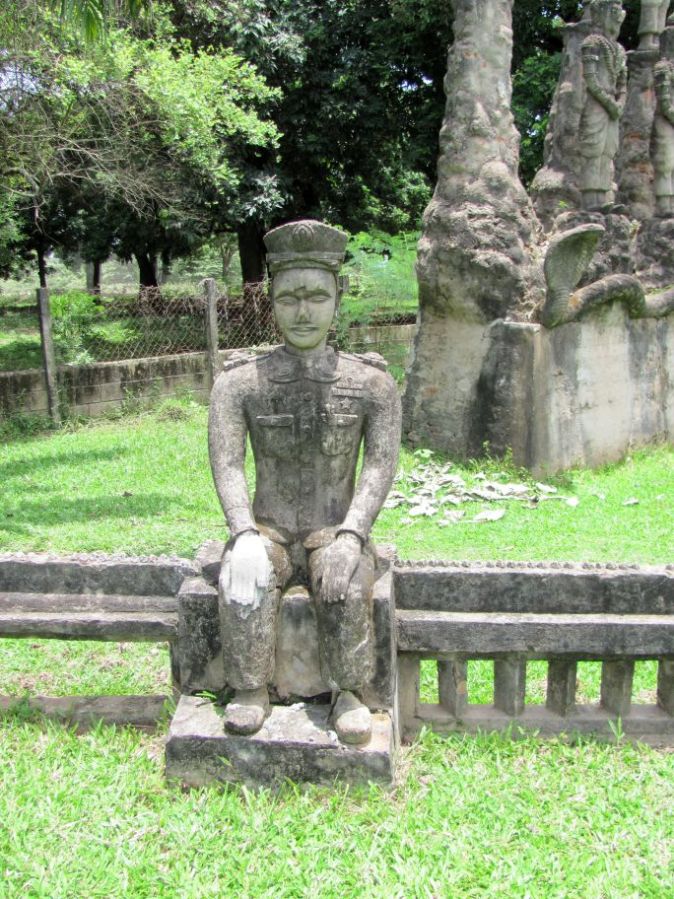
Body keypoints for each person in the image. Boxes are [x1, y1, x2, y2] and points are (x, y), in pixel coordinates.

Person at [208, 220, 402, 745]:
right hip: (267, 528)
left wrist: (352, 536)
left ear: (338, 298)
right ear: (271, 302)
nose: (303, 312)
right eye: (289, 298)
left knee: (344, 588)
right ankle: (250, 689)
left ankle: (348, 692)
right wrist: (242, 533)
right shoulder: (238, 384)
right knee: (242, 582)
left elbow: (379, 465)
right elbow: (228, 463)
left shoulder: (371, 383)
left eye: (317, 297)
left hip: (333, 527)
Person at [579, 0, 627, 211]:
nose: (618, 18)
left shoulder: (619, 50)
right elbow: (591, 80)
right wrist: (609, 103)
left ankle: (604, 196)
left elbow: (623, 83)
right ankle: (591, 200)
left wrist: (619, 103)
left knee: (608, 151)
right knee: (593, 150)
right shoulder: (592, 43)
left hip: (612, 106)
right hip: (597, 103)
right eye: (613, 12)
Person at [653, 20, 674, 216]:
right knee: (665, 163)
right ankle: (664, 205)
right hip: (665, 121)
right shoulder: (663, 68)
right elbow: (665, 100)